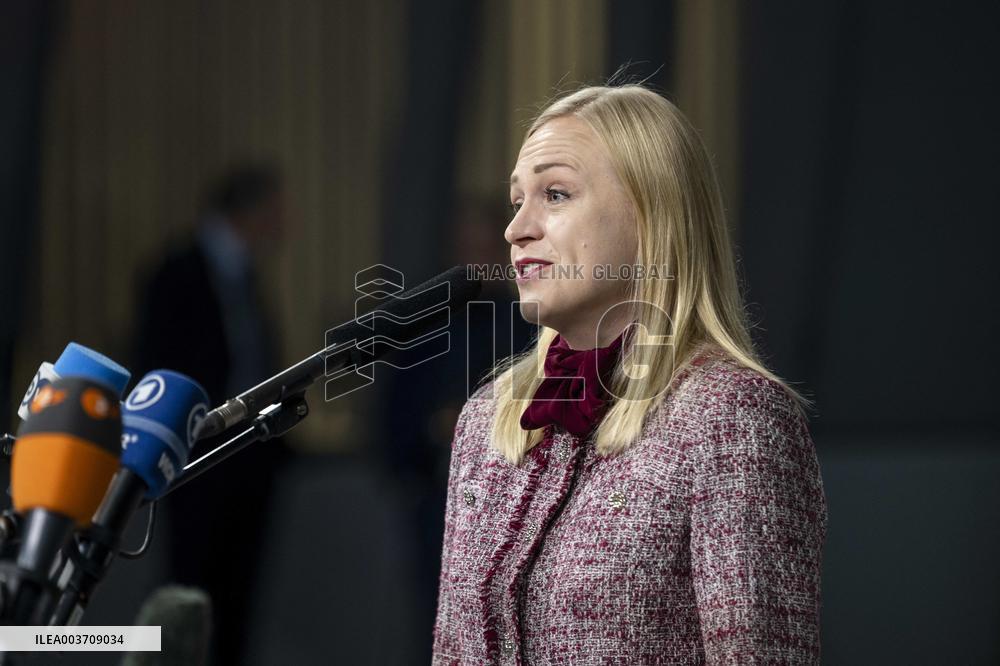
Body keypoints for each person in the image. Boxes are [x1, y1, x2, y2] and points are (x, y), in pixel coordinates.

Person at [432, 85, 828, 664]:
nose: (516, 229)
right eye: (517, 200)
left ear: (654, 214)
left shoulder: (732, 417)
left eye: (556, 194)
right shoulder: (488, 420)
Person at [132, 163, 290, 664]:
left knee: (235, 603)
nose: (285, 227)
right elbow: (162, 369)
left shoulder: (245, 277)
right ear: (250, 212)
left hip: (247, 462)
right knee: (189, 597)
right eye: (277, 213)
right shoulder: (178, 273)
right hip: (194, 464)